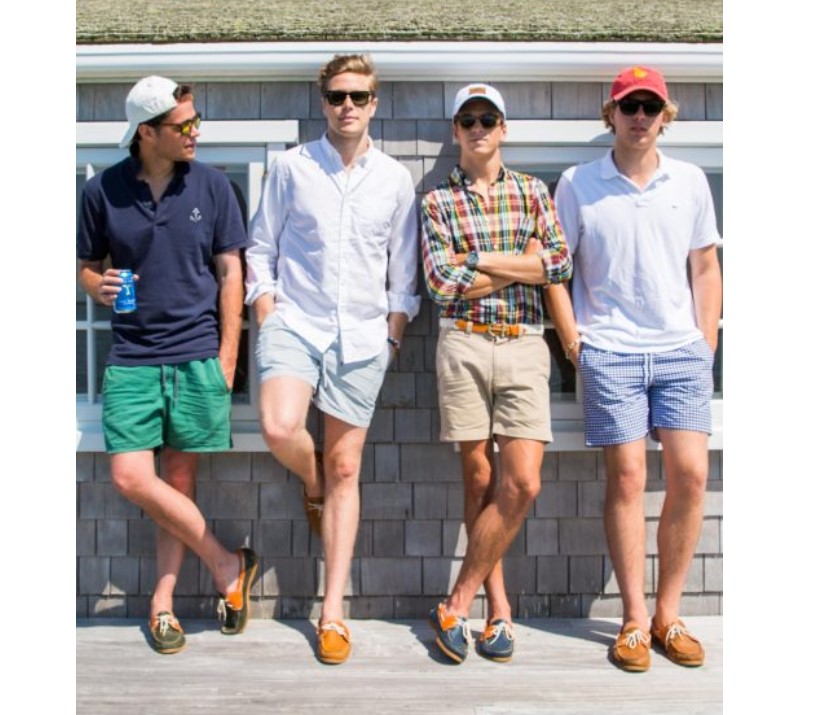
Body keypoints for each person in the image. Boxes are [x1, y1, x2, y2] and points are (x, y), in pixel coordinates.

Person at [245, 54, 420, 665]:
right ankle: (310, 479)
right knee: (278, 427)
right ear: (323, 102)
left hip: (364, 337)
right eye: (338, 95)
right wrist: (267, 313)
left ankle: (333, 612)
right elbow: (260, 247)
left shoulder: (394, 180)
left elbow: (403, 267)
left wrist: (393, 334)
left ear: (375, 103)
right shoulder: (291, 167)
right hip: (296, 322)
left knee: (348, 466)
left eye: (359, 96)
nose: (348, 106)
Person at [546, 65, 722, 672]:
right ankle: (632, 621)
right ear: (612, 114)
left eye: (650, 107)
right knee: (626, 478)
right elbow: (556, 269)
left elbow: (705, 267)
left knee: (691, 475)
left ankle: (669, 616)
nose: (640, 117)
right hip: (611, 350)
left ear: (665, 116)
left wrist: (705, 342)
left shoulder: (689, 181)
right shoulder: (579, 183)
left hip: (680, 351)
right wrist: (575, 342)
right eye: (629, 106)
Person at [77, 75, 257, 655]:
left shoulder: (214, 186)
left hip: (197, 355)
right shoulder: (102, 191)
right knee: (132, 478)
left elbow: (231, 273)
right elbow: (85, 266)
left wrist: (228, 356)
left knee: (178, 482)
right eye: (184, 125)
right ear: (146, 133)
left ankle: (163, 604)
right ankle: (227, 564)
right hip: (132, 357)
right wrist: (97, 286)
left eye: (195, 120)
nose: (195, 132)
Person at [421, 84, 573, 664]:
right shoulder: (437, 201)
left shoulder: (532, 192)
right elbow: (441, 285)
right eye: (468, 120)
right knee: (479, 479)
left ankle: (456, 601)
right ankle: (498, 609)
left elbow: (558, 262)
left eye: (489, 119)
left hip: (524, 342)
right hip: (462, 342)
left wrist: (479, 259)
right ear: (456, 130)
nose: (479, 128)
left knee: (522, 483)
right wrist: (521, 265)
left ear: (503, 128)